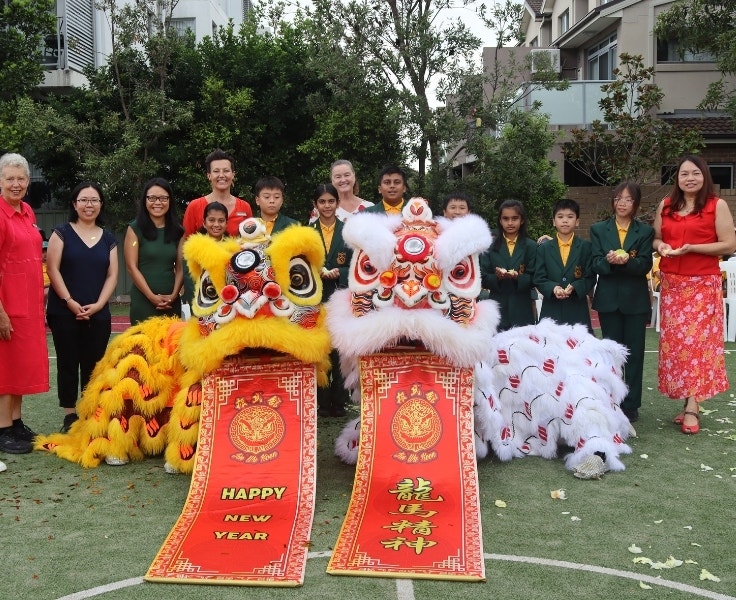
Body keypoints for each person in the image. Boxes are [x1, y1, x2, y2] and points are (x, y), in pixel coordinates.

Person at [653, 155, 736, 434]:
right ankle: (687, 398)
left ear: (704, 177)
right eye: (684, 174)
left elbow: (729, 244)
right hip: (672, 285)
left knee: (697, 347)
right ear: (677, 178)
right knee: (676, 347)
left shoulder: (716, 205)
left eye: (695, 173)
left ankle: (692, 406)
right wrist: (662, 246)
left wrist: (692, 248)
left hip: (702, 283)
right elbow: (656, 238)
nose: (689, 178)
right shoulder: (666, 205)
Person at [46, 182, 119, 433]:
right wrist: (69, 301)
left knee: (94, 364)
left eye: (94, 200)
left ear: (101, 204)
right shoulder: (61, 232)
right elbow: (52, 268)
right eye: (84, 200)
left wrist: (99, 304)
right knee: (68, 362)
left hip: (98, 313)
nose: (89, 205)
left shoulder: (108, 237)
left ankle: (90, 411)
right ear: (74, 204)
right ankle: (69, 414)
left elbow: (112, 275)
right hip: (64, 311)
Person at [590, 182, 654, 423]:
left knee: (635, 354)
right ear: (612, 201)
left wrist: (627, 261)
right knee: (610, 354)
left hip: (635, 301)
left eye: (628, 199)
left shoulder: (645, 232)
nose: (622, 203)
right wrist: (609, 261)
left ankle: (632, 403)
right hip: (608, 299)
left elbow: (645, 264)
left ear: (635, 203)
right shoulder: (599, 229)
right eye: (618, 198)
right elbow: (596, 263)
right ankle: (610, 399)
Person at [0, 153, 49, 454]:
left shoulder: (27, 211)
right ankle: (3, 428)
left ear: (28, 182)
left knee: (22, 367)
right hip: (7, 305)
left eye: (21, 179)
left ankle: (16, 422)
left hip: (29, 304)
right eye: (9, 179)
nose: (16, 184)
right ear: (0, 182)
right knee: (6, 368)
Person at [309, 183, 351, 417]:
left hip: (340, 298)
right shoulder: (308, 232)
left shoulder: (347, 231)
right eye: (322, 202)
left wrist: (339, 272)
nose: (327, 206)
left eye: (331, 201)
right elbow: (302, 267)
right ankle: (322, 402)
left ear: (337, 203)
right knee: (320, 350)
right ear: (315, 205)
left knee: (340, 350)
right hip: (315, 300)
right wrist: (319, 272)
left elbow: (356, 266)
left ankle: (340, 401)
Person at [124, 178, 184, 325]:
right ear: (145, 200)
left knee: (170, 345)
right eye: (152, 198)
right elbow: (131, 267)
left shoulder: (179, 231)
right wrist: (151, 296)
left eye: (163, 198)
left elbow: (181, 267)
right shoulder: (134, 229)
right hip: (143, 302)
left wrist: (174, 295)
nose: (158, 202)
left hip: (171, 302)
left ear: (170, 201)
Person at [534, 198, 596, 333]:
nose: (565, 220)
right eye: (560, 217)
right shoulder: (544, 249)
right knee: (549, 349)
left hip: (577, 309)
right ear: (553, 222)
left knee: (578, 348)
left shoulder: (586, 247)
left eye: (570, 216)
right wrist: (553, 287)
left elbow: (590, 277)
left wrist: (575, 286)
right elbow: (539, 277)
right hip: (551, 309)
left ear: (577, 221)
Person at [480, 199, 537, 330]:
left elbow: (535, 277)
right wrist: (497, 277)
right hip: (497, 308)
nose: (510, 223)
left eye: (514, 218)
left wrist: (518, 277)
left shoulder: (531, 246)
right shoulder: (489, 246)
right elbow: (482, 276)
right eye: (505, 219)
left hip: (523, 308)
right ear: (500, 221)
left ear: (522, 220)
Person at [182, 149, 252, 238]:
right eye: (216, 171)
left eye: (226, 171)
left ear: (233, 175)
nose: (221, 175)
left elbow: (251, 241)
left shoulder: (245, 207)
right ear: (209, 175)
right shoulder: (194, 206)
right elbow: (185, 242)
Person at [181, 201, 229, 310]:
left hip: (226, 303)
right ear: (204, 222)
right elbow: (189, 280)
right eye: (211, 220)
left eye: (221, 221)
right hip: (201, 303)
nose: (216, 224)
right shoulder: (194, 247)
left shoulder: (233, 247)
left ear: (226, 223)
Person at [309, 160, 374, 223]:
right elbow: (312, 233)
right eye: (338, 177)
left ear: (354, 175)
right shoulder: (321, 209)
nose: (343, 180)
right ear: (332, 180)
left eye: (347, 175)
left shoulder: (369, 207)